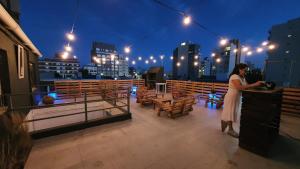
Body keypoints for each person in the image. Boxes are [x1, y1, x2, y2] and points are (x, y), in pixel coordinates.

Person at [221, 63, 263, 138]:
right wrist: (254, 84)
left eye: (246, 71)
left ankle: (225, 122)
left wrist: (257, 86)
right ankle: (230, 129)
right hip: (232, 96)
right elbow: (239, 87)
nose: (245, 72)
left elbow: (246, 86)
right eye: (244, 70)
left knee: (233, 112)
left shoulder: (242, 77)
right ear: (239, 69)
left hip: (237, 96)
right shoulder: (234, 76)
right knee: (231, 112)